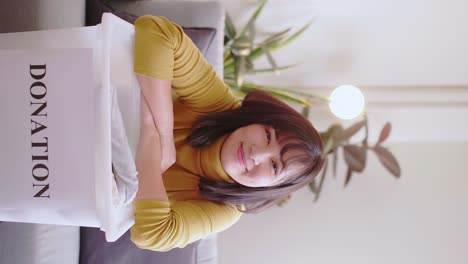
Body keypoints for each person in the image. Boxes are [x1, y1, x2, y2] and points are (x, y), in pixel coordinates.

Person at [132, 15, 325, 252]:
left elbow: (152, 235)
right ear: (257, 120)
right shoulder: (218, 105)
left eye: (274, 166)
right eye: (267, 136)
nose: (257, 155)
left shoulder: (224, 210)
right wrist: (160, 133)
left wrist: (150, 148)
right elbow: (158, 31)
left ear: (271, 187)